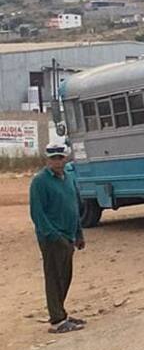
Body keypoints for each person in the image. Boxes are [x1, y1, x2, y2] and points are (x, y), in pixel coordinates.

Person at [29, 142, 86, 334]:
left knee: (65, 276)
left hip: (69, 235)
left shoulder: (69, 178)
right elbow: (38, 214)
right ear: (47, 160)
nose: (57, 161)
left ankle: (61, 312)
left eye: (60, 157)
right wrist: (53, 235)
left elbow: (74, 206)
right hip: (52, 238)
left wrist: (78, 233)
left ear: (66, 157)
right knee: (54, 277)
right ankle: (57, 320)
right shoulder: (40, 181)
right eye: (53, 158)